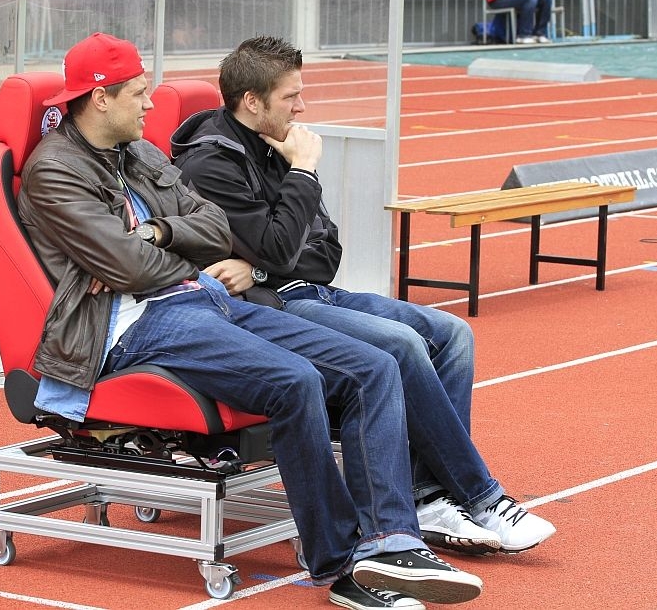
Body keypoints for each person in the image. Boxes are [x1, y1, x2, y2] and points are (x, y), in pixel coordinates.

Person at [17, 32, 485, 610]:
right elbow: (130, 268)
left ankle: (392, 542)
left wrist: (159, 233)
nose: (150, 104)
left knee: (374, 366)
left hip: (202, 299)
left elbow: (215, 229)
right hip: (132, 327)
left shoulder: (140, 154)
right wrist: (171, 253)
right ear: (100, 98)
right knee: (297, 380)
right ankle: (342, 565)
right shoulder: (53, 171)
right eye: (138, 93)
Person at [171, 35, 557, 561]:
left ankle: (428, 497)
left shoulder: (279, 142)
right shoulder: (212, 164)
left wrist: (259, 262)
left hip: (309, 287)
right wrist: (302, 174)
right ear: (252, 101)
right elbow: (282, 246)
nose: (302, 107)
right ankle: (480, 496)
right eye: (291, 97)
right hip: (271, 306)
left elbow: (325, 253)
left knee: (453, 334)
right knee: (401, 344)